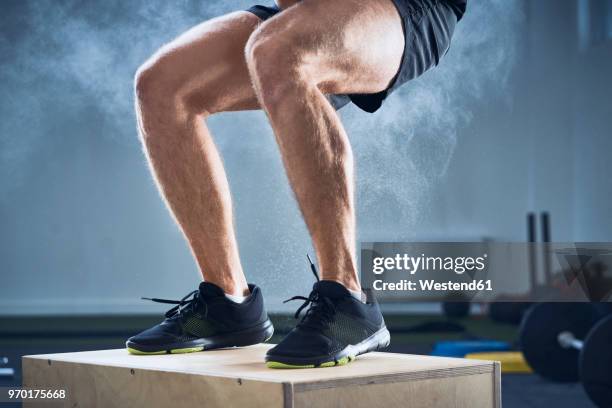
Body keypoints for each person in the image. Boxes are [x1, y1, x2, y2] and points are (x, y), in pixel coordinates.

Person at [127, 0, 466, 368]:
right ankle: (229, 304)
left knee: (279, 49)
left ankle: (349, 303)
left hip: (408, 8)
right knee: (161, 85)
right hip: (304, 10)